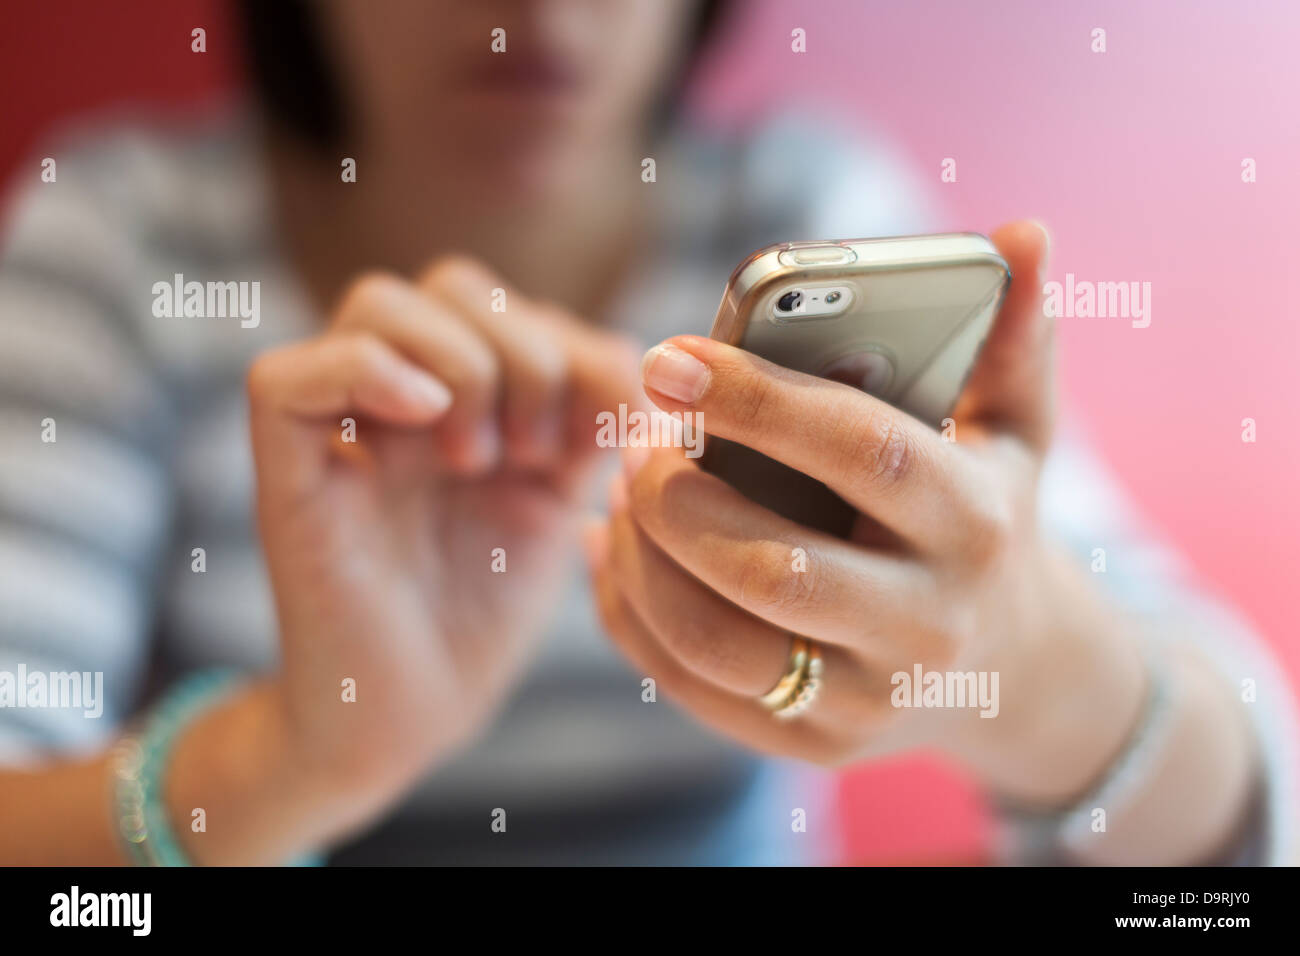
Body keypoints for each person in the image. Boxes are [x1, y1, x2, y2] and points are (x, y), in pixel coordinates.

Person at [0, 0, 1291, 865]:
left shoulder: (803, 205)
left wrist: (1030, 672)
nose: (543, 10)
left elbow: (1248, 813)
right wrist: (291, 756)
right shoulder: (127, 241)